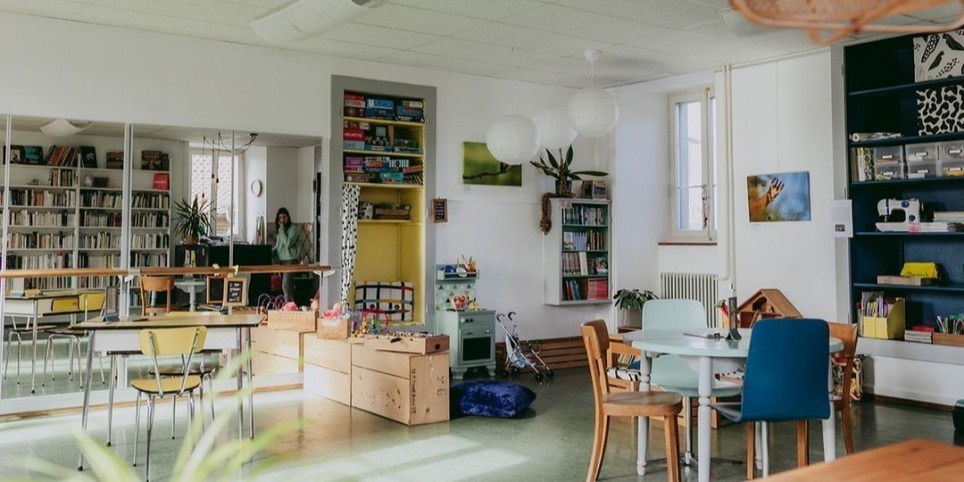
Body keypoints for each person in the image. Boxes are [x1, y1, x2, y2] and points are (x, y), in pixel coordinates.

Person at [272, 207, 300, 302]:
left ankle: (288, 306)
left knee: (285, 285)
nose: (282, 219)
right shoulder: (281, 230)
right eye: (280, 217)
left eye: (284, 217)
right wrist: (268, 253)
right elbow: (278, 246)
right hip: (282, 261)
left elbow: (288, 243)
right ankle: (291, 305)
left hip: (291, 260)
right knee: (288, 286)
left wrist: (281, 230)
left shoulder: (293, 229)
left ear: (288, 217)